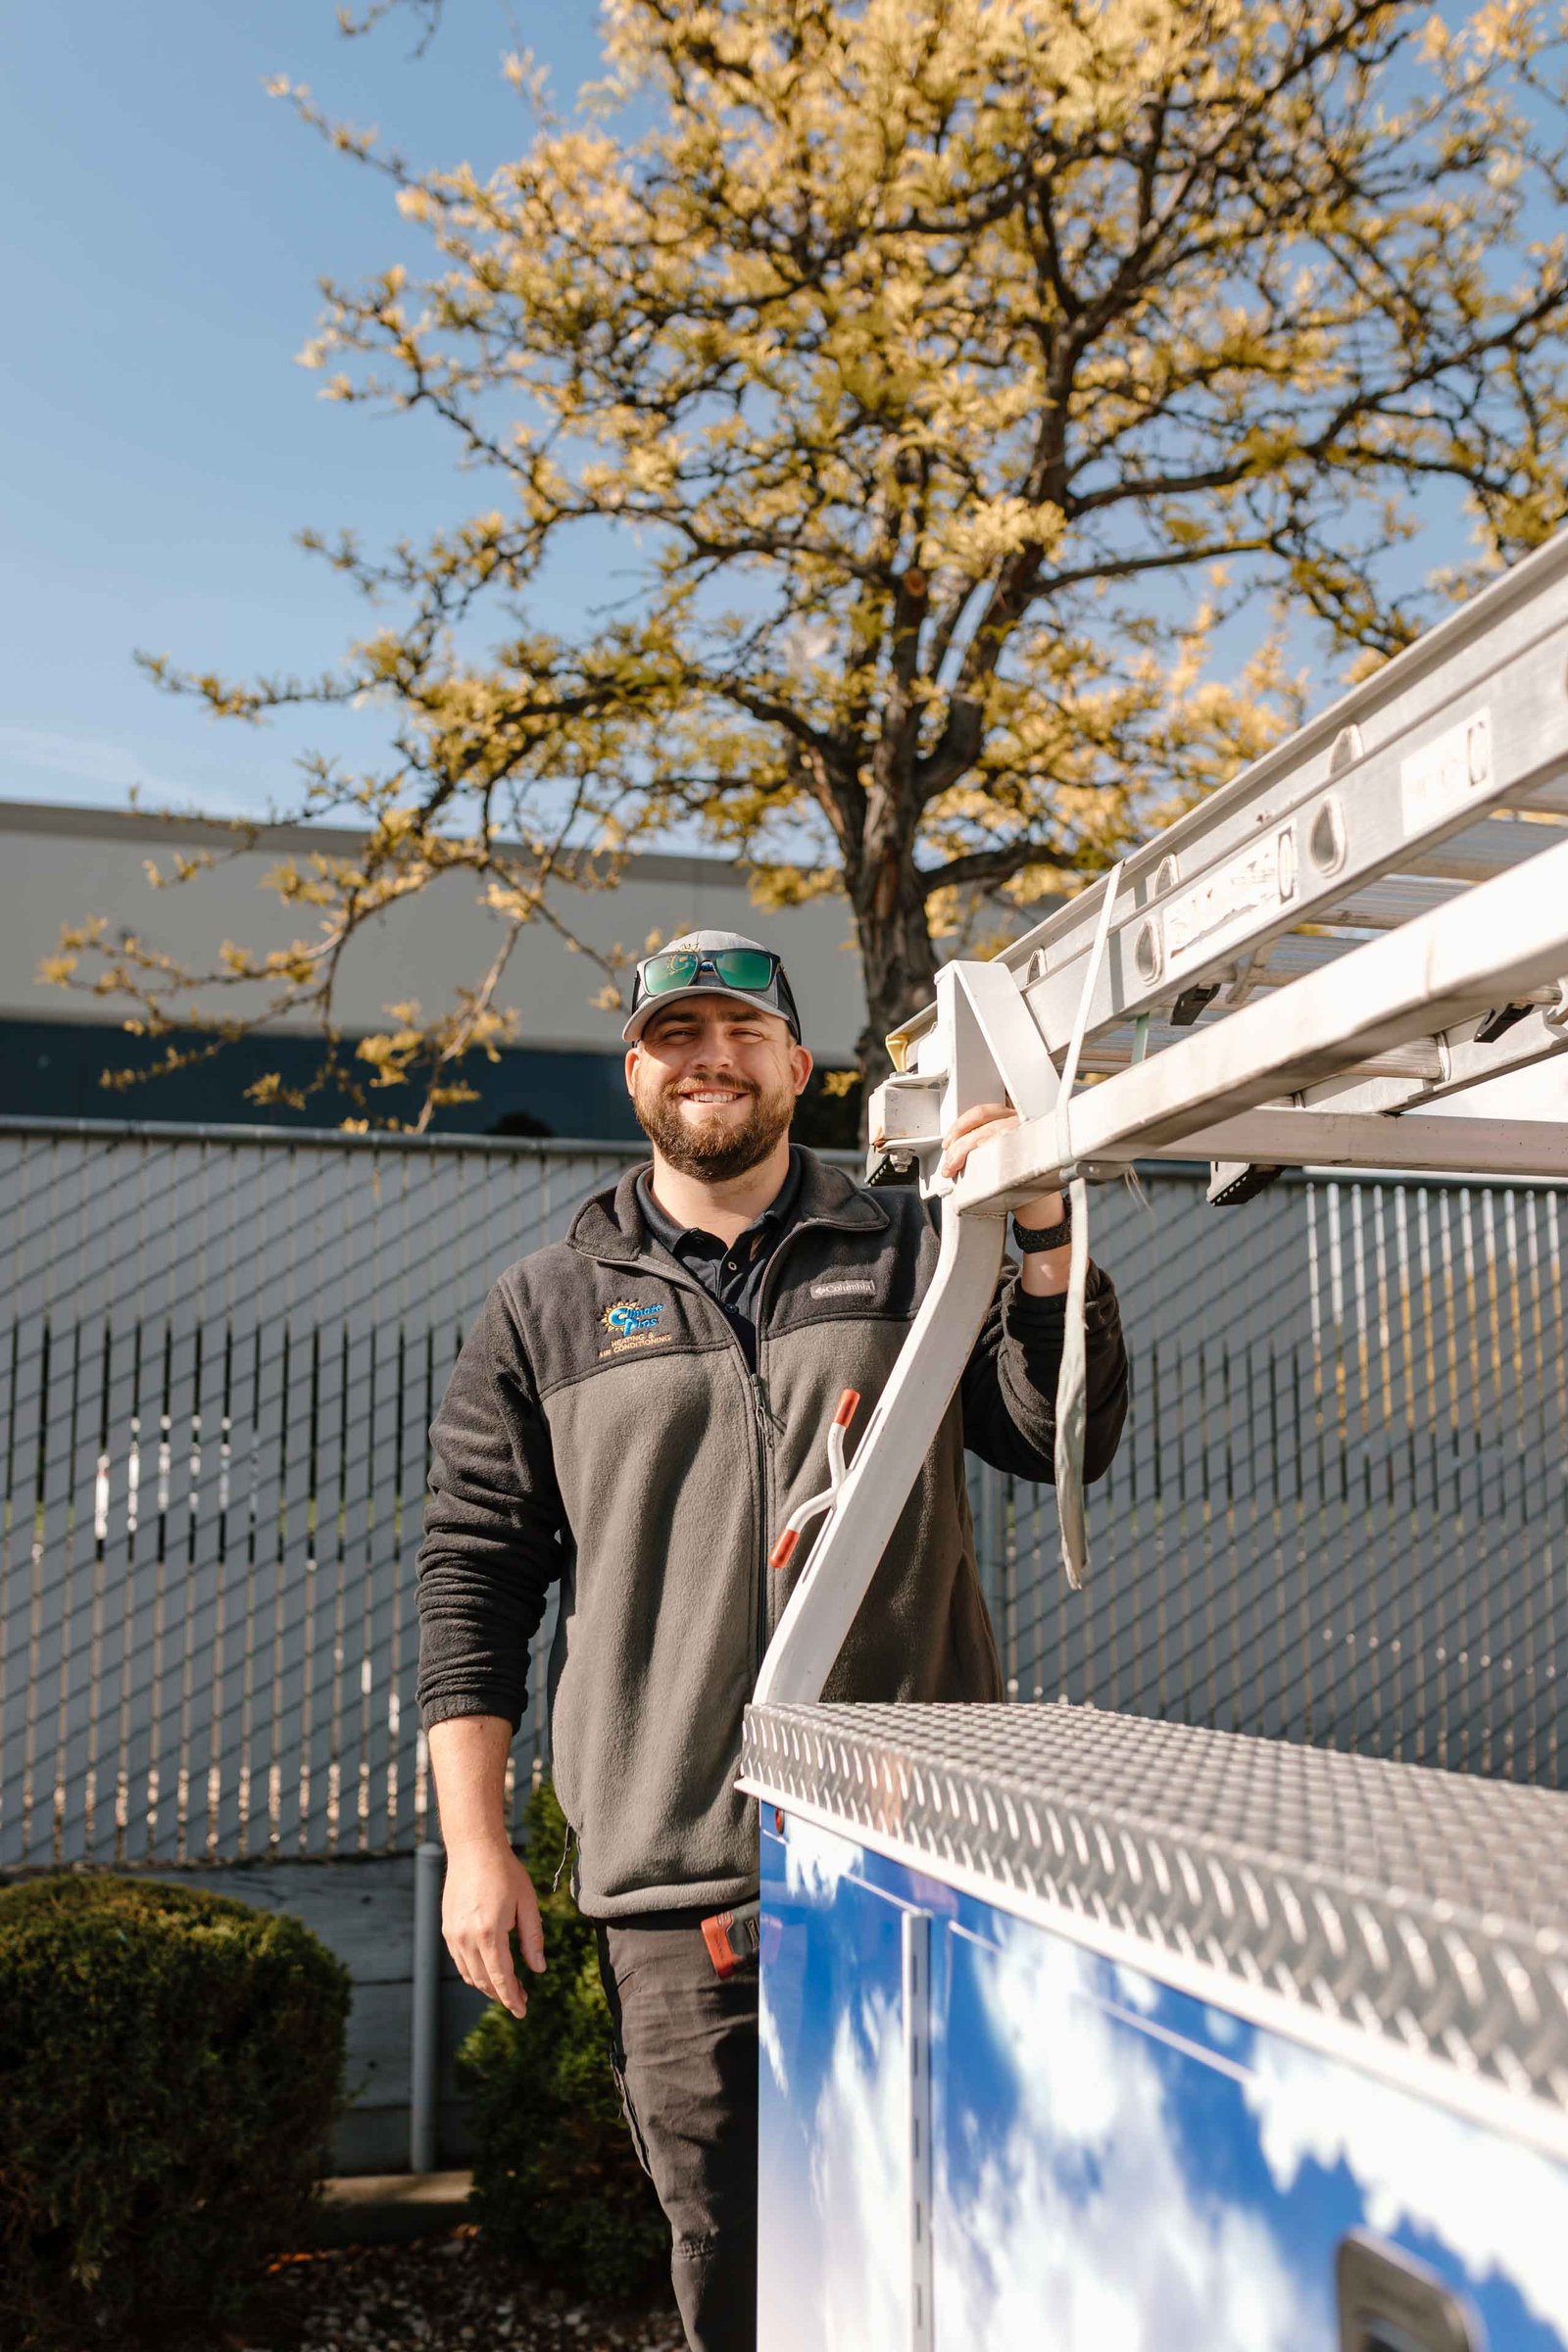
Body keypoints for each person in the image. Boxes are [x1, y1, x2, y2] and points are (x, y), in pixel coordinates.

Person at [415, 929, 1130, 2352]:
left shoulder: (920, 1244)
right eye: (678, 1036)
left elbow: (1067, 1434)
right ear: (636, 1073)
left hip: (915, 1846)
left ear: (799, 1065)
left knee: (948, 2232)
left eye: (742, 1031)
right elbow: (472, 1581)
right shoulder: (547, 1307)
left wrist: (1046, 1234)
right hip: (676, 1879)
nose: (711, 1059)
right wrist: (479, 1848)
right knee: (736, 2255)